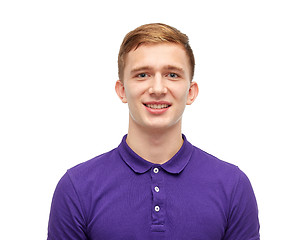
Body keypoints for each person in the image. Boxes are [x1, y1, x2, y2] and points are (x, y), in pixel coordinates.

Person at [47, 23, 260, 240]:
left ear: (191, 92)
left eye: (172, 75)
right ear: (122, 90)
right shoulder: (76, 188)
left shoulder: (233, 186)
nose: (157, 89)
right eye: (142, 75)